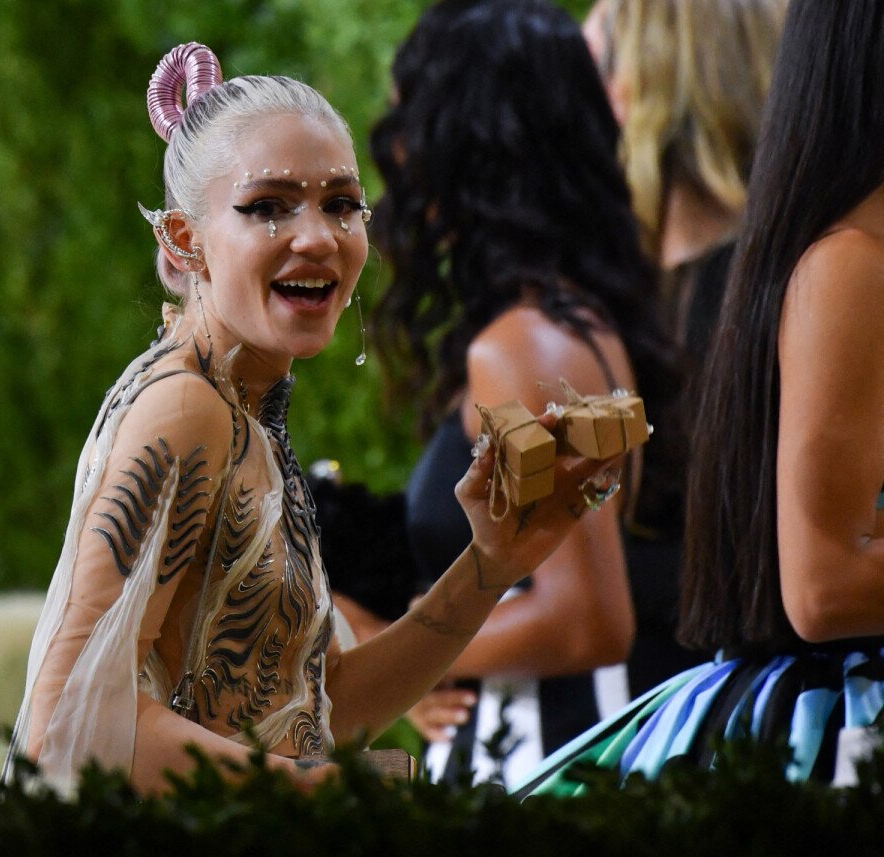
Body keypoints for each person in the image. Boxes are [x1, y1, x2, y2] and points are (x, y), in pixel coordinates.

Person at [1, 42, 614, 795]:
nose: (319, 235)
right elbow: (65, 718)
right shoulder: (186, 408)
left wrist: (490, 568)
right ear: (184, 241)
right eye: (268, 206)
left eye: (341, 203)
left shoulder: (243, 407)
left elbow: (320, 707)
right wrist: (323, 791)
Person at [516, 0, 884, 796]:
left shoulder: (763, 274)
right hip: (818, 718)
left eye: (599, 65)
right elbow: (812, 582)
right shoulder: (837, 266)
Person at [334, 0, 679, 787]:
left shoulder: (521, 346)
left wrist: (390, 652)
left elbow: (586, 617)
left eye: (410, 120)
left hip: (553, 765)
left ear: (467, 145)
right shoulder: (570, 317)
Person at [579, 0, 789, 702]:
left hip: (735, 719)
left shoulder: (765, 295)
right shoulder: (617, 290)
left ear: (648, 83)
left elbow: (747, 566)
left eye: (591, 68)